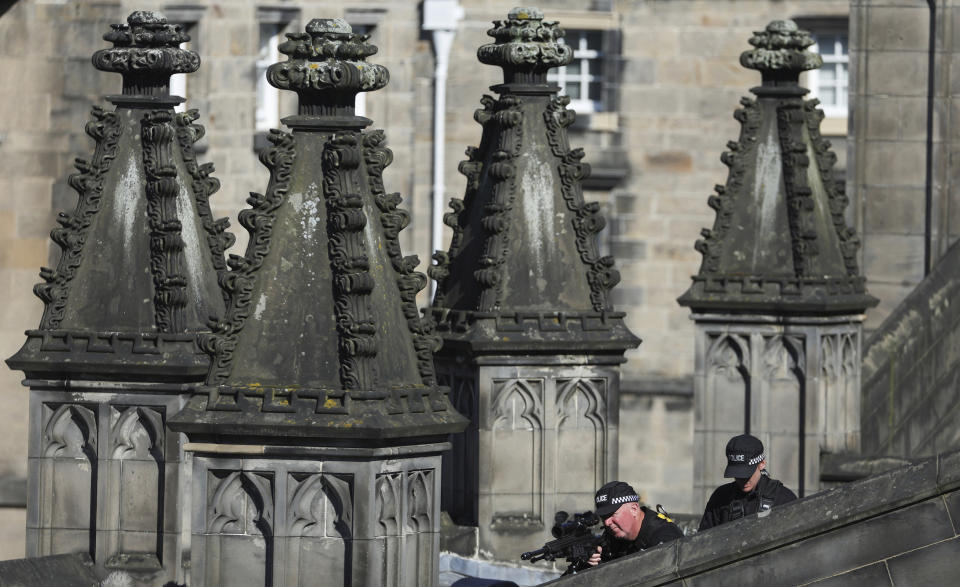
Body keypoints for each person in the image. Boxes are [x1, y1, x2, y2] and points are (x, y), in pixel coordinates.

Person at [698, 434, 798, 531]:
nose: (742, 480)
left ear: (762, 464)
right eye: (737, 474)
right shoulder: (720, 497)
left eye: (747, 474)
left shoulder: (784, 499)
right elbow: (703, 540)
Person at [586, 480, 683, 567]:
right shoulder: (612, 534)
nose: (607, 522)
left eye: (612, 514)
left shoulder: (665, 536)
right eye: (604, 517)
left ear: (634, 509)